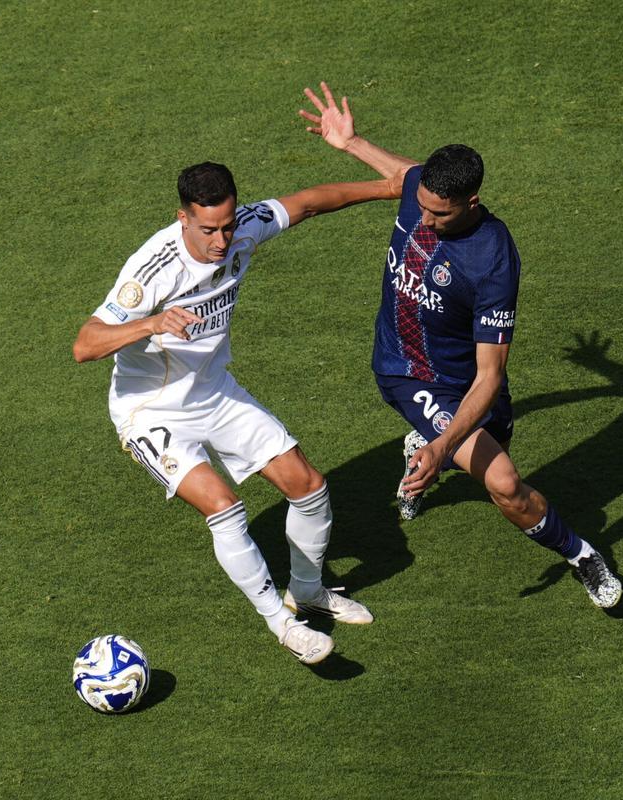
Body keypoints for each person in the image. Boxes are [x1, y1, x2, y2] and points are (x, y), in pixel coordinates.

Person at [299, 82, 622, 608]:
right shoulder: (422, 192)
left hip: (466, 381)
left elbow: (490, 377)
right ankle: (581, 554)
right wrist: (352, 142)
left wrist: (441, 445)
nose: (422, 220)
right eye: (420, 206)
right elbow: (404, 176)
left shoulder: (494, 259)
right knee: (505, 483)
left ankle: (423, 448)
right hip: (405, 370)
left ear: (470, 202)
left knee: (475, 447)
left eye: (438, 214)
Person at [73, 162, 400, 663]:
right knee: (224, 506)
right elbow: (85, 344)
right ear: (181, 218)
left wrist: (388, 187)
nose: (222, 240)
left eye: (227, 226)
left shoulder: (243, 226)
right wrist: (151, 322)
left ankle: (308, 591)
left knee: (309, 486)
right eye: (208, 230)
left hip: (213, 391)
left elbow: (311, 201)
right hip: (150, 411)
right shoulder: (152, 270)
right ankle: (283, 625)